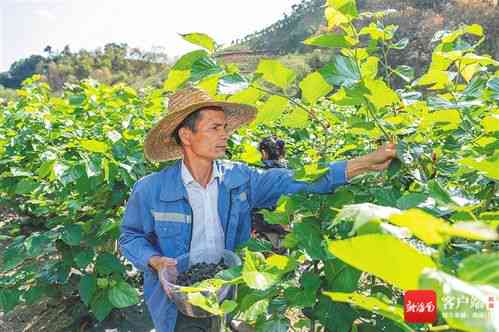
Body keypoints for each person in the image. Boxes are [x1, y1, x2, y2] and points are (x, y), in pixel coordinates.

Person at [118, 87, 397, 332]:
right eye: (215, 128)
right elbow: (130, 237)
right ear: (186, 135)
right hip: (177, 301)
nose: (225, 135)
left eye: (225, 127)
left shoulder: (240, 180)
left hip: (224, 292)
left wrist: (361, 164)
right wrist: (156, 261)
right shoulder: (151, 189)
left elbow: (297, 180)